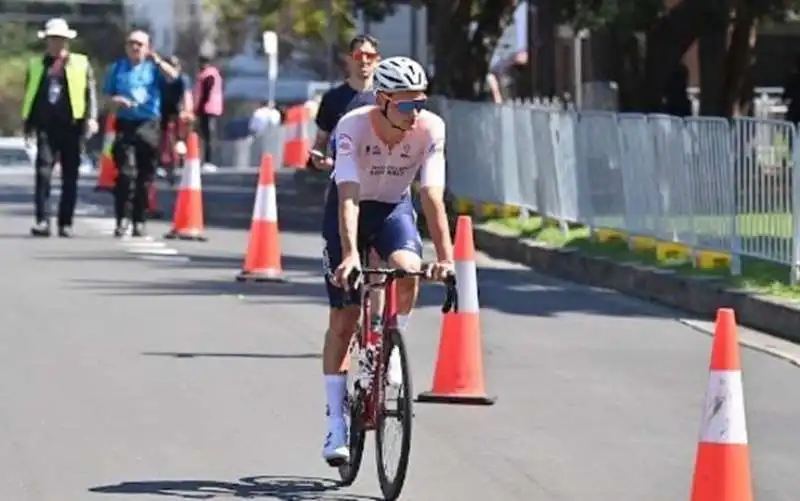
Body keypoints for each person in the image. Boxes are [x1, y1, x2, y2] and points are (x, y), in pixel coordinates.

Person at [320, 56, 454, 466]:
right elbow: (347, 195)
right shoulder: (353, 126)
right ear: (382, 100)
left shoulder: (430, 128)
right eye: (406, 105)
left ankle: (390, 348)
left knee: (409, 272)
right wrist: (348, 255)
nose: (416, 113)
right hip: (350, 210)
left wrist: (446, 259)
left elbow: (431, 197)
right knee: (343, 321)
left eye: (421, 103)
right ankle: (336, 425)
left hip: (393, 208)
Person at [22, 18, 99, 238]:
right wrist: (27, 124)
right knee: (43, 173)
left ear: (67, 42)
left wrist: (91, 118)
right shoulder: (37, 65)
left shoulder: (81, 63)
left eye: (60, 40)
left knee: (70, 177)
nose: (56, 44)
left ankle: (66, 223)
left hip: (72, 126)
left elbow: (89, 93)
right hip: (46, 127)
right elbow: (30, 96)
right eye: (52, 39)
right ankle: (43, 220)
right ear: (46, 41)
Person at [103, 30, 179, 237]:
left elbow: (174, 77)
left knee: (145, 176)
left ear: (147, 48)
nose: (135, 48)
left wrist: (158, 62)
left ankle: (139, 219)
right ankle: (122, 219)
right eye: (131, 44)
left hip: (149, 124)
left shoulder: (153, 68)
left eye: (139, 44)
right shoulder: (117, 68)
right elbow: (106, 96)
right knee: (126, 174)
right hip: (125, 123)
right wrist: (116, 101)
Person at [309, 34, 381, 172]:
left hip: (378, 181)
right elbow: (320, 144)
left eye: (369, 56)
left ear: (377, 60)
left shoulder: (386, 99)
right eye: (358, 56)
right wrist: (320, 160)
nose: (364, 61)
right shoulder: (332, 98)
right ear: (349, 60)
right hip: (342, 179)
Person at [158, 55, 193, 181]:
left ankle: (181, 156)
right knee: (161, 136)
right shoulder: (161, 80)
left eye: (174, 65)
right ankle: (161, 162)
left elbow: (186, 95)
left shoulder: (182, 79)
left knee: (179, 137)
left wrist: (187, 111)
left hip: (178, 110)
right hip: (162, 110)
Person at [194, 51, 224, 170]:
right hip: (211, 109)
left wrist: (198, 108)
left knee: (208, 136)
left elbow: (205, 94)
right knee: (206, 136)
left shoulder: (208, 75)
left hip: (207, 109)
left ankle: (208, 160)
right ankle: (205, 160)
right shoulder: (212, 74)